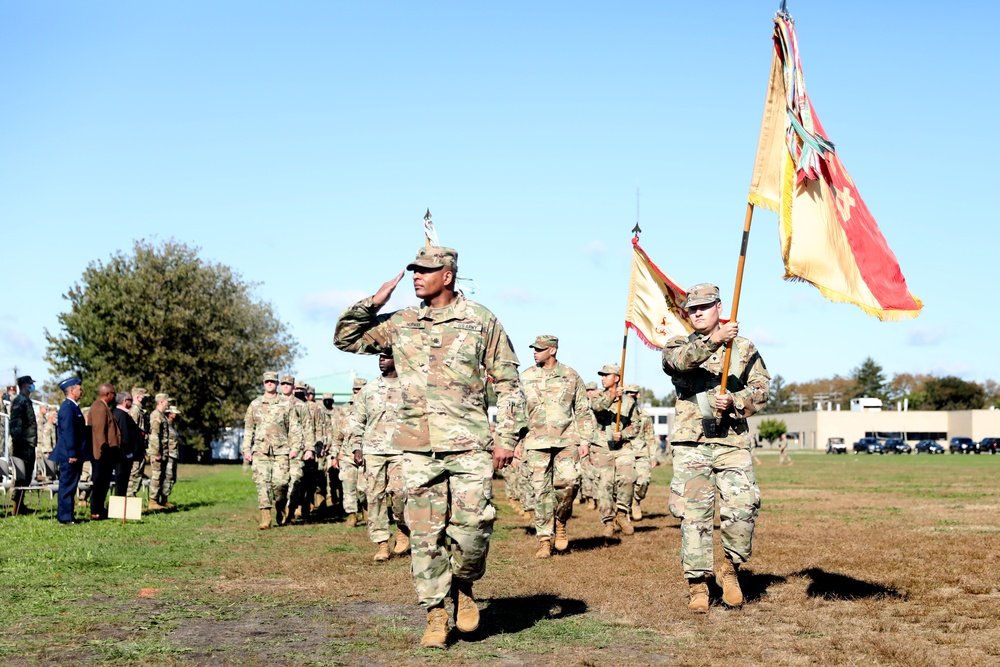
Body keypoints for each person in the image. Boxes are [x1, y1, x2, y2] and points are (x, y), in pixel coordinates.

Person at [334, 245, 527, 649]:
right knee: (425, 536)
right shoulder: (401, 322)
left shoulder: (481, 320)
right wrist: (373, 302)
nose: (417, 276)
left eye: (425, 270)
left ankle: (465, 586)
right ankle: (435, 613)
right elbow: (345, 339)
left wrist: (506, 437)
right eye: (414, 271)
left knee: (474, 529)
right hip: (418, 448)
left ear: (448, 275)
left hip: (470, 445)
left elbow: (509, 383)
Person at [661, 283, 770, 612]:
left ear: (719, 308)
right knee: (694, 516)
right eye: (692, 309)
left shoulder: (744, 348)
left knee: (743, 508)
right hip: (692, 444)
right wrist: (714, 341)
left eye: (703, 308)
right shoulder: (678, 344)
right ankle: (697, 585)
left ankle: (731, 568)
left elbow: (762, 389)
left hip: (731, 441)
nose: (696, 314)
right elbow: (679, 364)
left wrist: (736, 399)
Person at [517, 335, 594, 558]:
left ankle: (560, 521)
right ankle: (544, 539)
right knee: (540, 491)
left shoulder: (571, 375)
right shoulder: (526, 377)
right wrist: (515, 441)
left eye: (539, 349)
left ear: (552, 350)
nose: (535, 352)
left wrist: (585, 440)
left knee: (569, 483)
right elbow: (518, 411)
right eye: (534, 349)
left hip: (567, 440)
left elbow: (582, 410)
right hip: (535, 441)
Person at [348, 349, 409, 562]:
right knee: (374, 497)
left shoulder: (409, 386)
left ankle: (403, 528)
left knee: (401, 493)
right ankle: (382, 543)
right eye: (379, 357)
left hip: (402, 450)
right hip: (373, 451)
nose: (381, 360)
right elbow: (357, 420)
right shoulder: (370, 389)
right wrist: (356, 447)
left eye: (386, 356)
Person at [242, 371, 301, 530]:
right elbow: (249, 428)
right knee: (262, 484)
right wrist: (246, 449)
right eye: (267, 381)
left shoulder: (286, 404)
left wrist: (295, 448)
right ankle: (265, 518)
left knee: (281, 483)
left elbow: (294, 428)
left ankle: (280, 506)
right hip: (260, 451)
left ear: (277, 384)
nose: (270, 384)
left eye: (273, 381)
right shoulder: (255, 404)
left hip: (281, 451)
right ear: (263, 384)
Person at [589, 364, 639, 539]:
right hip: (601, 448)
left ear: (616, 378)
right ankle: (608, 521)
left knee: (628, 479)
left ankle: (622, 514)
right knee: (604, 485)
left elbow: (636, 425)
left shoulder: (629, 402)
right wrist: (612, 396)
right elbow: (597, 408)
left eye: (606, 375)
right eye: (601, 375)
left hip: (622, 447)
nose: (603, 378)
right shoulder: (597, 397)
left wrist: (624, 434)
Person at [49, 378, 89, 524]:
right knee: (67, 485)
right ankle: (65, 517)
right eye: (79, 388)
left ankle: (68, 515)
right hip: (68, 455)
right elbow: (68, 432)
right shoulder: (67, 408)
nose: (81, 391)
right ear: (72, 391)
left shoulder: (73, 407)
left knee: (71, 485)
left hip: (73, 453)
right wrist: (72, 453)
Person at [278, 376, 311, 523]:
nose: (286, 386)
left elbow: (308, 428)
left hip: (296, 449)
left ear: (292, 387)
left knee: (295, 479)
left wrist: (309, 448)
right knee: (279, 482)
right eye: (283, 384)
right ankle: (280, 507)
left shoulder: (300, 406)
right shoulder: (273, 404)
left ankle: (291, 510)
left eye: (288, 384)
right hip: (278, 450)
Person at [338, 378, 368, 527]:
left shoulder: (371, 411)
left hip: (367, 455)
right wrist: (334, 455)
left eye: (361, 389)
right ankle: (352, 515)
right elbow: (337, 435)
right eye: (356, 389)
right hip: (346, 455)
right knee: (348, 486)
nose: (359, 392)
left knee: (364, 488)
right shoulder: (344, 413)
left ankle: (366, 509)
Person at [624, 384, 656, 521]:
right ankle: (623, 511)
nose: (630, 395)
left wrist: (653, 456)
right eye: (628, 393)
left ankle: (636, 502)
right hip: (624, 451)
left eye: (633, 393)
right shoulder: (620, 414)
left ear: (638, 395)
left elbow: (650, 436)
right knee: (624, 483)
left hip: (641, 452)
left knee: (643, 481)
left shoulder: (645, 416)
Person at [8, 375, 38, 513]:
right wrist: (17, 442)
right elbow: (15, 424)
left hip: (29, 444)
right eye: (30, 384)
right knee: (20, 476)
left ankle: (21, 504)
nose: (32, 386)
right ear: (26, 385)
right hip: (22, 445)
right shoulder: (19, 401)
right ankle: (15, 506)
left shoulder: (27, 401)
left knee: (27, 476)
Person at [112, 391, 141, 497]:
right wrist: (130, 453)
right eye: (130, 400)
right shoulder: (122, 415)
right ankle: (120, 506)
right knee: (122, 481)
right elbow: (125, 435)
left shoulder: (118, 413)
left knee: (123, 481)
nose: (132, 403)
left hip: (123, 454)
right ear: (125, 401)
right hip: (124, 455)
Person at [146, 393, 172, 510]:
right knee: (156, 476)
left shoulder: (162, 416)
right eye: (167, 401)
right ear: (161, 402)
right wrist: (156, 452)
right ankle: (153, 501)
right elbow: (154, 435)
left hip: (163, 451)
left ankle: (159, 500)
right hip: (157, 452)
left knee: (161, 476)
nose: (168, 404)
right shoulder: (155, 415)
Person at [127, 388, 150, 497]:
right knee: (134, 474)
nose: (146, 399)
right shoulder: (134, 411)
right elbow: (131, 430)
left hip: (140, 447)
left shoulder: (141, 411)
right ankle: (129, 497)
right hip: (135, 449)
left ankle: (132, 495)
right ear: (137, 397)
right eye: (144, 396)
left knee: (138, 475)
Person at [162, 405, 182, 505]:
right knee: (168, 476)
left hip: (174, 454)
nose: (176, 415)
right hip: (169, 454)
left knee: (172, 477)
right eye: (174, 413)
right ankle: (163, 499)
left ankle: (166, 498)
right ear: (169, 414)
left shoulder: (172, 425)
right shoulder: (165, 424)